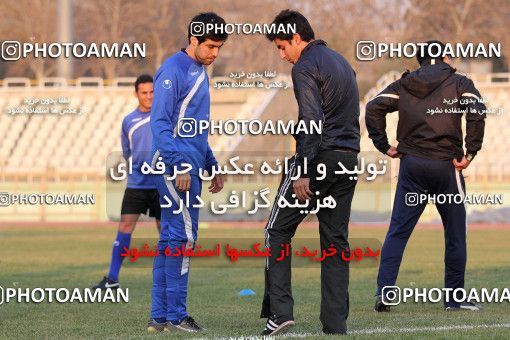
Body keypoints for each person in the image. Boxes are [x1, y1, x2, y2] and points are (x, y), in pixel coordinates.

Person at [365, 40, 486, 312]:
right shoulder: (459, 82)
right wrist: (471, 151)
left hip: (412, 167)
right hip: (446, 166)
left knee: (398, 230)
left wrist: (383, 145)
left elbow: (373, 106)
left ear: (419, 59)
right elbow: (477, 111)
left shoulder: (403, 84)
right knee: (455, 234)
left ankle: (385, 292)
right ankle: (454, 299)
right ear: (444, 56)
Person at [261, 9, 360, 336]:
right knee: (334, 242)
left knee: (276, 231)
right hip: (348, 160)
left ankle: (280, 312)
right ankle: (335, 324)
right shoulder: (342, 62)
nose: (282, 54)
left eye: (281, 46)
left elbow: (311, 119)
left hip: (318, 160)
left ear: (296, 38)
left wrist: (303, 169)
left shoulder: (305, 66)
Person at [146, 12, 226, 333]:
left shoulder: (198, 71)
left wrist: (211, 164)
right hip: (175, 168)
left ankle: (160, 317)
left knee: (170, 239)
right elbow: (161, 124)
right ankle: (177, 316)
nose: (214, 53)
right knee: (184, 239)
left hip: (191, 166)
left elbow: (195, 129)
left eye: (219, 47)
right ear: (193, 40)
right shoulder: (173, 70)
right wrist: (179, 165)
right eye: (209, 46)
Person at [94, 74, 160, 290]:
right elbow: (127, 152)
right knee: (124, 227)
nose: (149, 96)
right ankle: (112, 279)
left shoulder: (164, 117)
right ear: (136, 94)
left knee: (166, 231)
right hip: (137, 185)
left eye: (152, 92)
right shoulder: (128, 121)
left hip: (162, 185)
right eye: (144, 92)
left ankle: (167, 280)